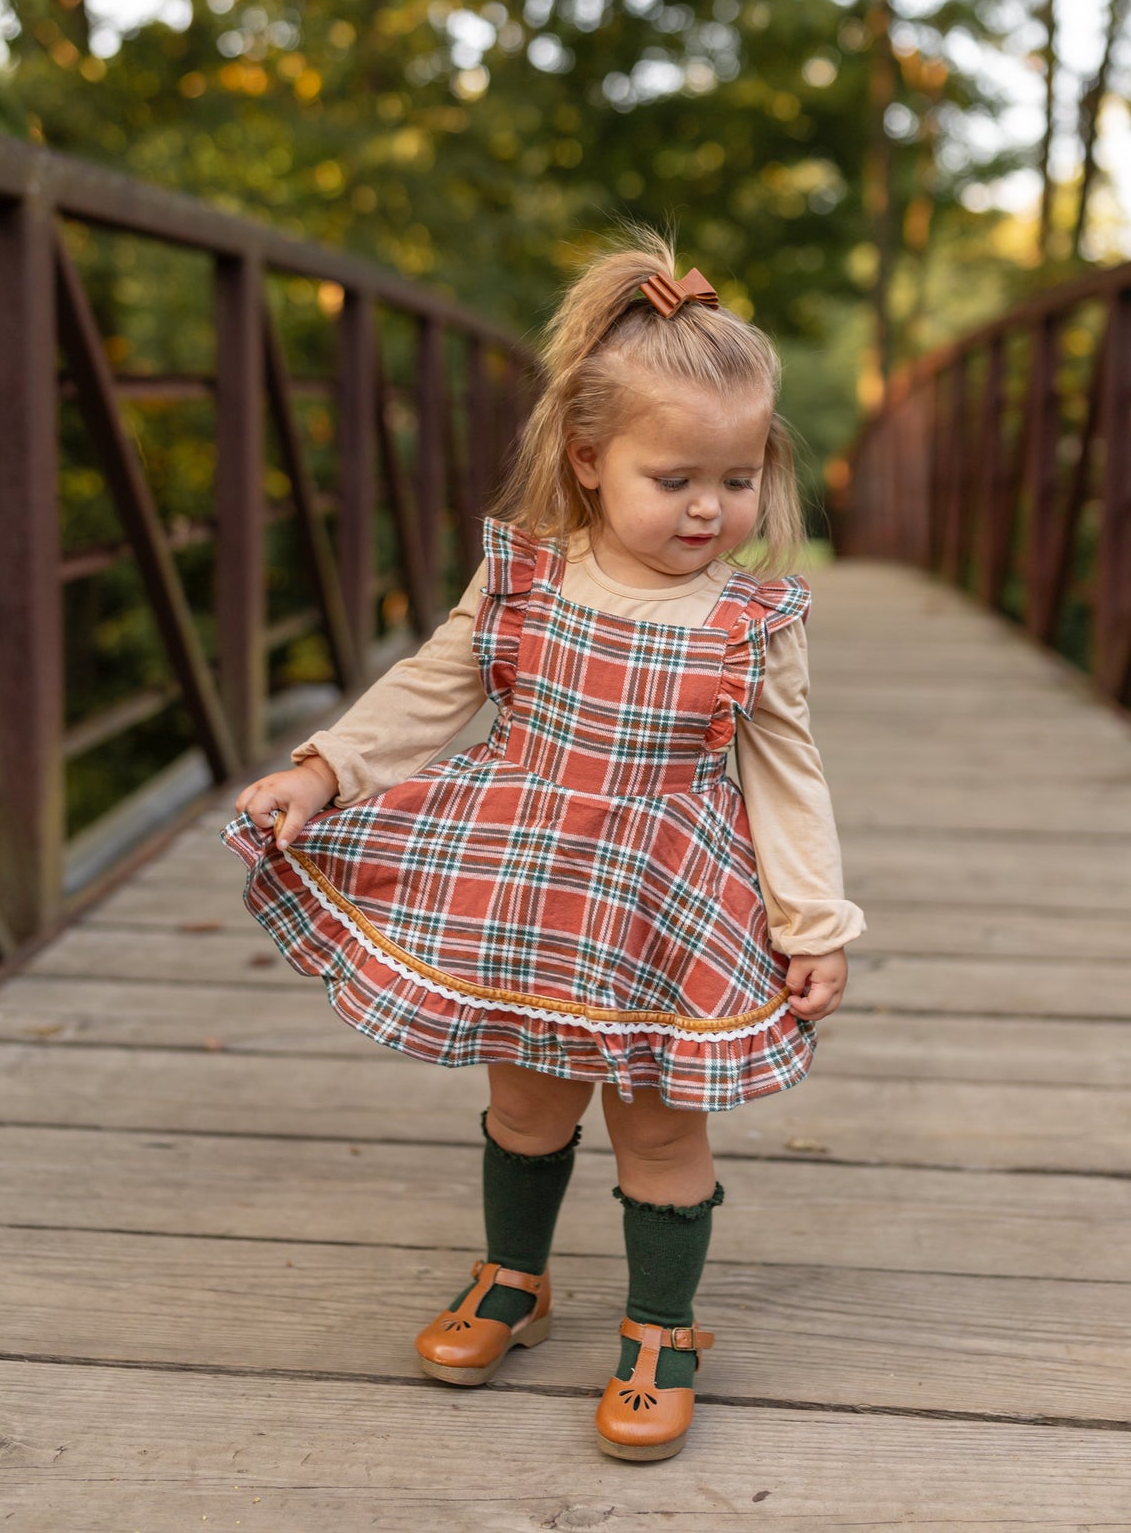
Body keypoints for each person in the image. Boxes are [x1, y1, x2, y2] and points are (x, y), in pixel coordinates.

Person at [222, 230, 865, 1462]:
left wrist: (814, 924)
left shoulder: (751, 617)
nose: (708, 509)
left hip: (667, 902)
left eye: (734, 480)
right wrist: (323, 769)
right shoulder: (525, 577)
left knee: (661, 1123)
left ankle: (661, 1327)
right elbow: (430, 689)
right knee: (524, 1098)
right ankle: (513, 1276)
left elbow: (788, 775)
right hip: (524, 884)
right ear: (586, 460)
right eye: (674, 477)